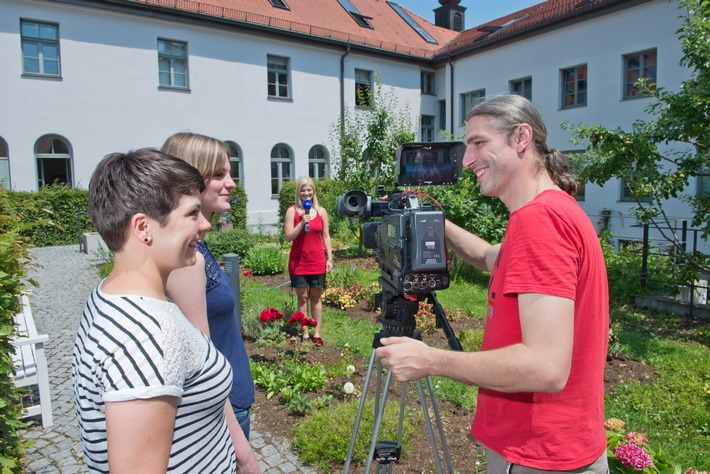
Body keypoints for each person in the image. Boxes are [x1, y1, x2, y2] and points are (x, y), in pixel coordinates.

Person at [375, 94, 610, 473]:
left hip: (535, 453)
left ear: (521, 138)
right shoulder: (555, 210)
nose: (467, 161)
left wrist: (431, 360)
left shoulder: (540, 222)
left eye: (479, 143)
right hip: (559, 445)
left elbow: (546, 367)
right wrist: (431, 221)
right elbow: (488, 256)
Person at [72, 148, 250, 473]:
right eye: (192, 214)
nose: (205, 225)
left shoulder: (113, 297)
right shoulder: (148, 338)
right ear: (143, 228)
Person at [160, 132, 257, 447]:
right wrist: (243, 453)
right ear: (191, 179)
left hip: (232, 401)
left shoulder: (198, 248)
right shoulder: (187, 260)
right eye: (219, 174)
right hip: (221, 411)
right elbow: (202, 366)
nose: (231, 183)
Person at [284, 176, 333, 345]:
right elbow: (288, 237)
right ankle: (305, 331)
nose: (306, 193)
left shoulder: (321, 212)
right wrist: (301, 223)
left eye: (309, 190)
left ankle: (317, 332)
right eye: (303, 190)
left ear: (313, 192)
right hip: (298, 262)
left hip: (317, 261)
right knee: (302, 297)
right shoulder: (293, 211)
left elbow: (325, 236)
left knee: (315, 297)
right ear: (299, 192)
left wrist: (330, 259)